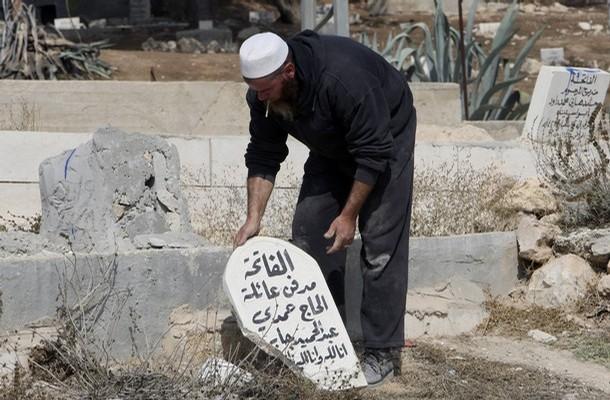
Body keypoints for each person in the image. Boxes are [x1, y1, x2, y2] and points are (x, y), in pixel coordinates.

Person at [233, 30, 416, 387]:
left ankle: (381, 352)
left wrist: (348, 216)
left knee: (380, 243)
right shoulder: (265, 94)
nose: (259, 96)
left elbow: (373, 151)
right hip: (333, 145)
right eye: (253, 88)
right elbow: (263, 153)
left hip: (385, 137)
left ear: (288, 72)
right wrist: (253, 219)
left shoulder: (344, 79)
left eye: (264, 88)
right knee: (310, 232)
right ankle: (327, 341)